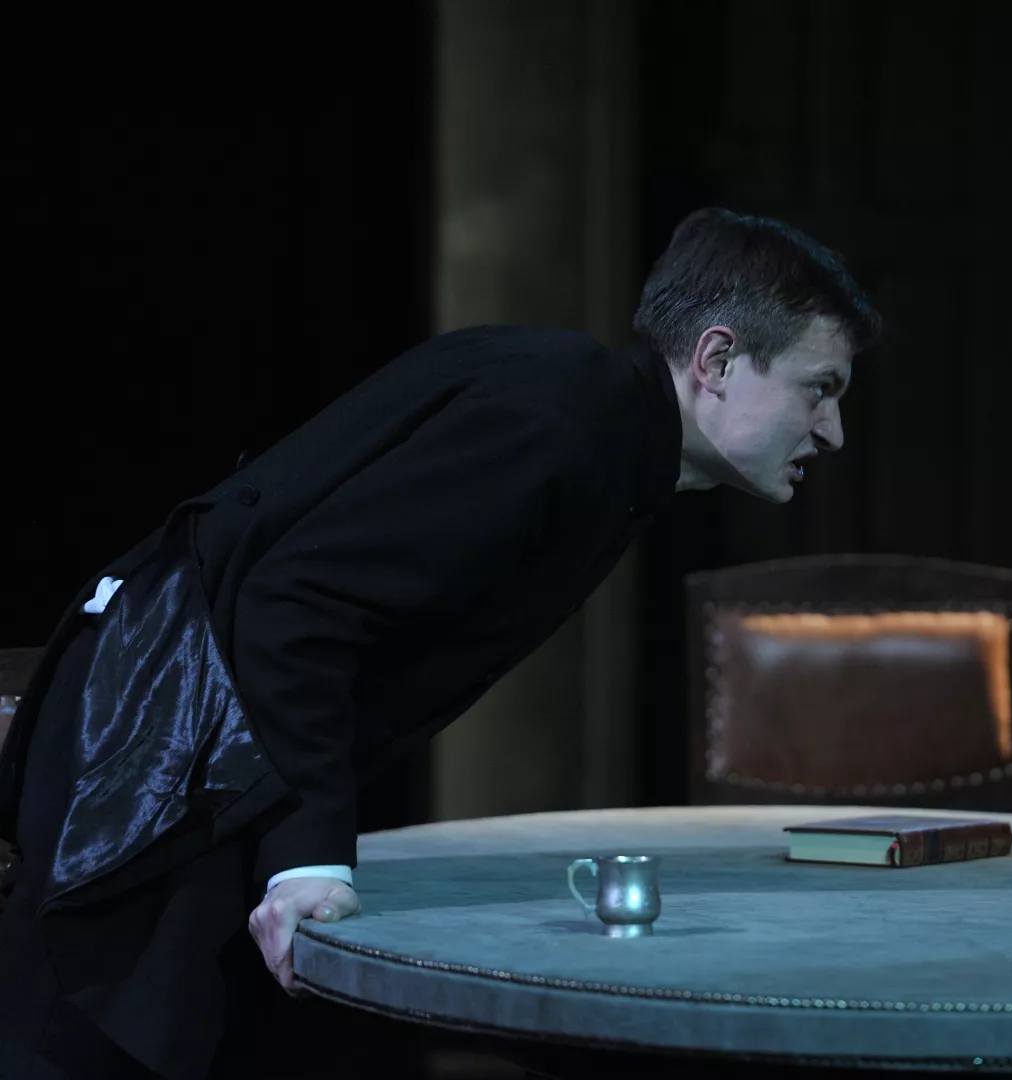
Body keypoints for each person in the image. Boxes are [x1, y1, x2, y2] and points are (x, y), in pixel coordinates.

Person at [0, 207, 880, 1080]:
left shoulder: (595, 419)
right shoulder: (560, 422)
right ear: (717, 361)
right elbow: (293, 604)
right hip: (150, 745)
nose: (832, 431)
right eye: (819, 388)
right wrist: (305, 857)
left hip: (194, 739)